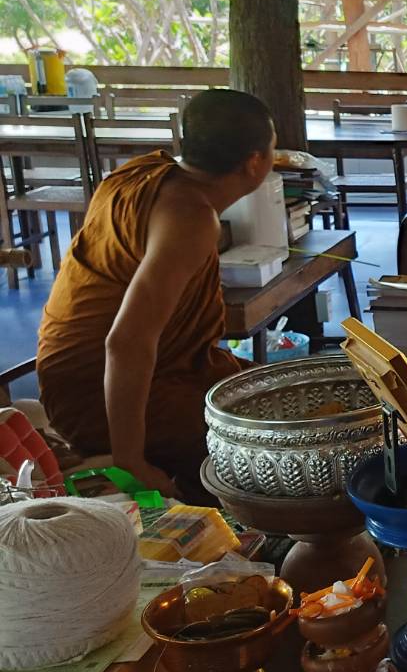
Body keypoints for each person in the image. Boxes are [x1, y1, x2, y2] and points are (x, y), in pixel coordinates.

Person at [36, 89, 277, 498]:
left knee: (266, 389)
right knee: (257, 443)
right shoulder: (190, 216)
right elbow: (127, 342)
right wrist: (130, 461)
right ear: (255, 162)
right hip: (98, 388)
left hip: (80, 367)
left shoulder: (142, 171)